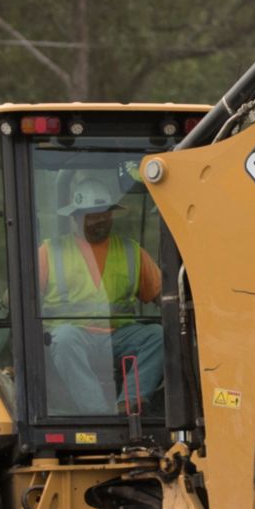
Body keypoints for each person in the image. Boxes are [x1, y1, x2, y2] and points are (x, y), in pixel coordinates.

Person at [38, 168, 165, 415]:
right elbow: (19, 298)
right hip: (73, 335)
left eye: (103, 215)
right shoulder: (49, 252)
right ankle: (98, 413)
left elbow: (164, 297)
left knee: (158, 335)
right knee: (63, 338)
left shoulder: (131, 251)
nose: (99, 221)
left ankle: (128, 402)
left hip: (118, 335)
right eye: (91, 216)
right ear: (74, 218)